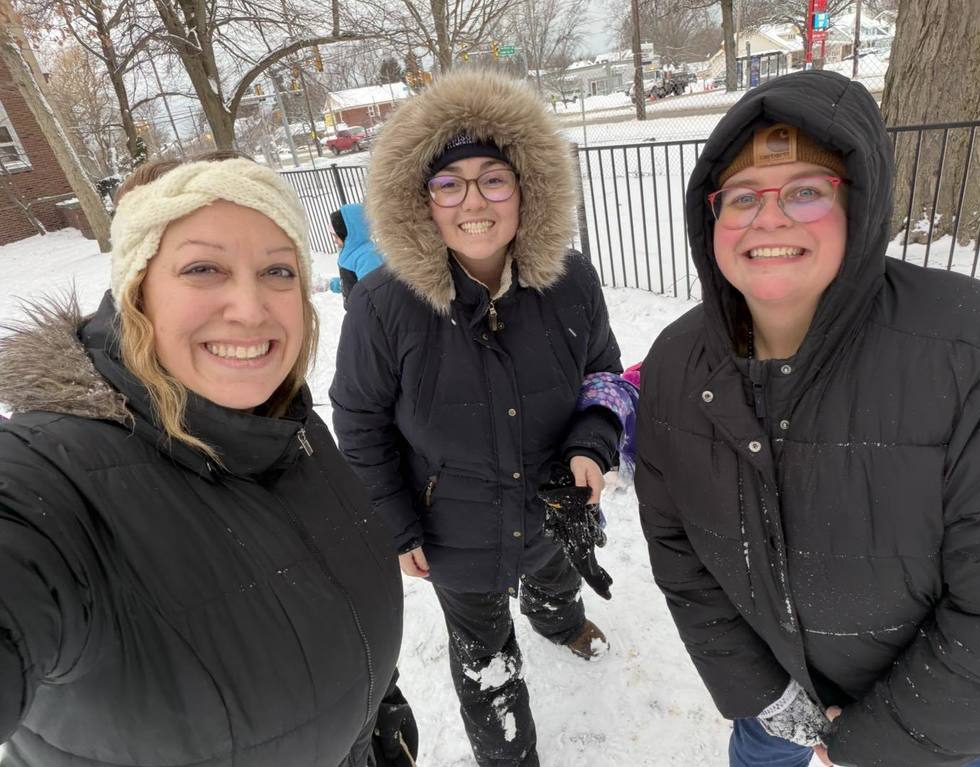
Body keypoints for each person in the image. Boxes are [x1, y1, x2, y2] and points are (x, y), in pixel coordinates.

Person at [636, 70, 980, 767]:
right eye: (743, 196)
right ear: (711, 216)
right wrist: (764, 695)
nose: (769, 216)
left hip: (956, 732)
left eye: (807, 191)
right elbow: (680, 552)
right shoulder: (674, 365)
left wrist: (867, 745)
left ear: (861, 204)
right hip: (776, 708)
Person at [0, 153, 403, 766]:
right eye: (204, 267)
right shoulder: (48, 481)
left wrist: (376, 711)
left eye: (278, 270)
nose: (251, 307)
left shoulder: (281, 418)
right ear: (137, 288)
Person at [330, 70, 623, 767]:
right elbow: (359, 419)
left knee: (555, 575)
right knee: (486, 660)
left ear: (527, 189)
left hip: (554, 505)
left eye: (494, 179)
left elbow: (606, 376)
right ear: (421, 201)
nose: (473, 201)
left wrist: (592, 444)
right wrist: (397, 524)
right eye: (448, 184)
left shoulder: (572, 279)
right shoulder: (382, 305)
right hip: (454, 530)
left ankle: (559, 620)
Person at [330, 203, 384, 307]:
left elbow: (375, 293)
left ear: (347, 234)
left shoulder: (367, 257)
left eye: (336, 236)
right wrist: (337, 284)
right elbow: (353, 281)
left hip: (368, 314)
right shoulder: (351, 254)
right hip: (357, 311)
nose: (334, 241)